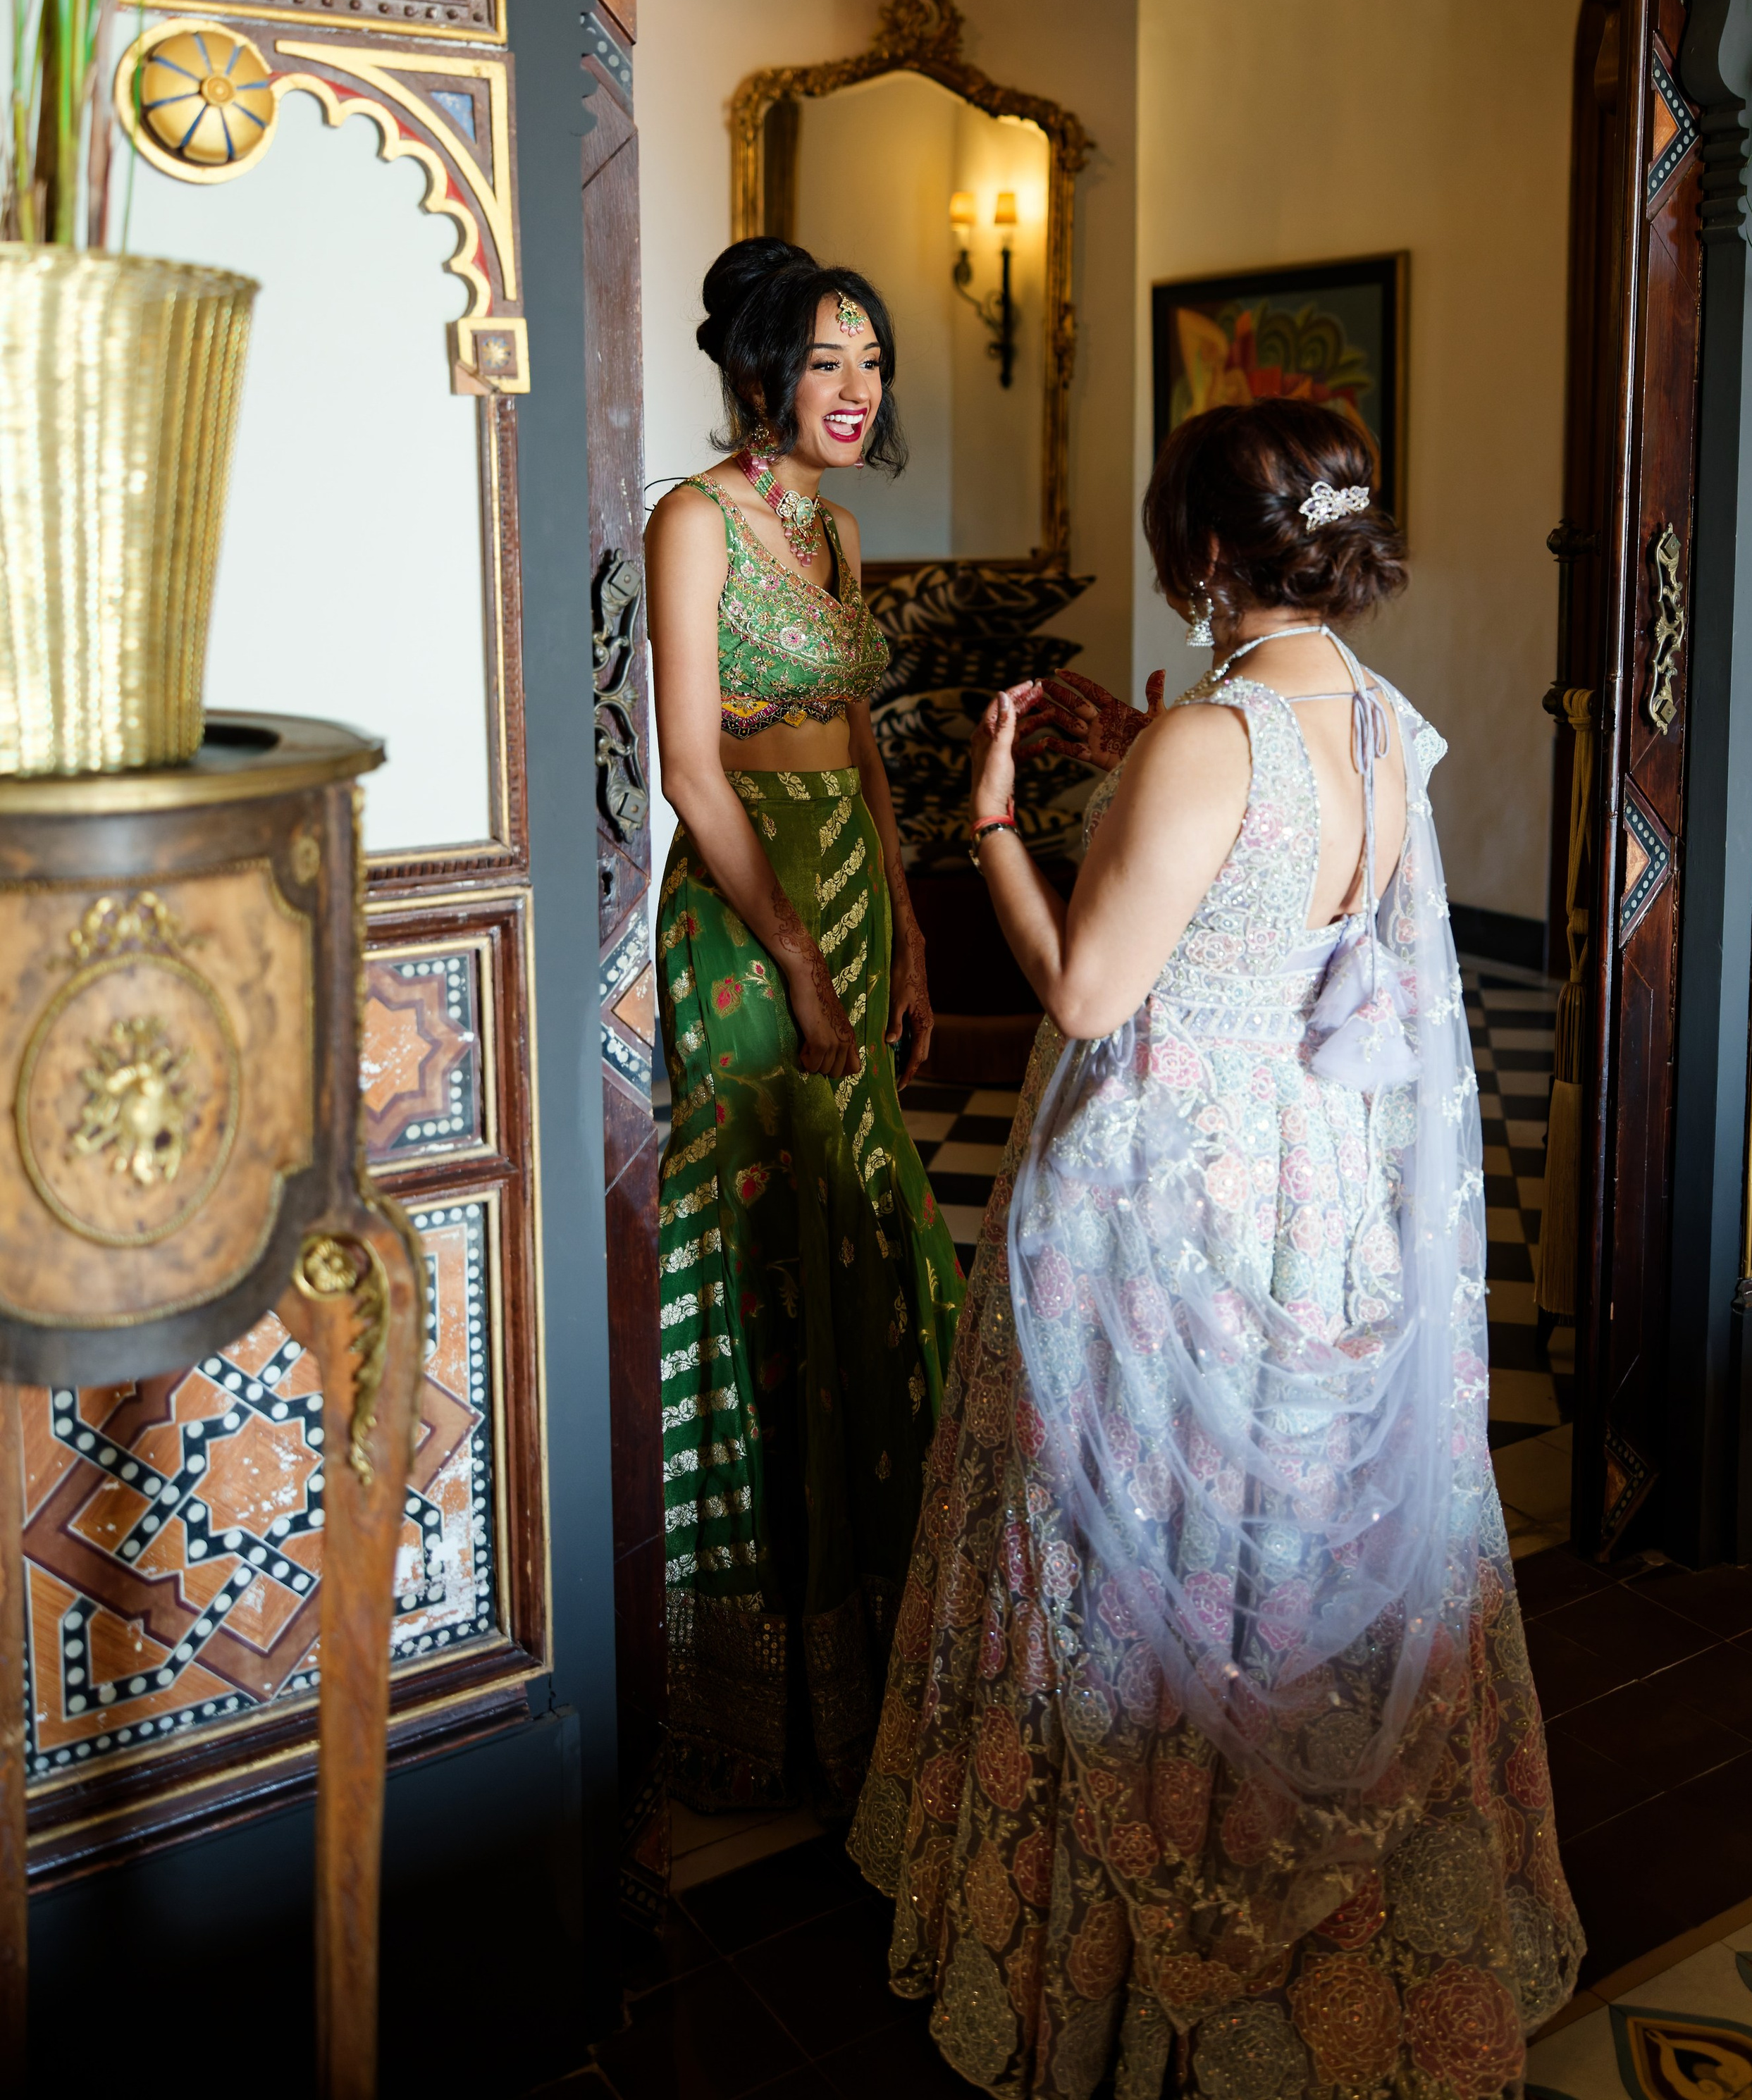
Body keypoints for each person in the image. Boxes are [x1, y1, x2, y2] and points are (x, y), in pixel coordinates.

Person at [850, 398, 1582, 2096]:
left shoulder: (1208, 740)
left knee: (1111, 1535)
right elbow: (1335, 955)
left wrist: (988, 814)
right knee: (1269, 1545)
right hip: (1313, 1181)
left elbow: (1092, 995)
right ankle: (1312, 1874)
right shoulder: (1388, 728)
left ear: (1195, 544)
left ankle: (1118, 1911)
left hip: (1161, 1187)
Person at [645, 237, 966, 1814]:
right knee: (763, 1230)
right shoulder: (690, 522)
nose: (856, 392)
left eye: (871, 362)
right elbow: (692, 768)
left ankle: (882, 1626)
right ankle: (746, 1658)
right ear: (757, 374)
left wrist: (899, 925)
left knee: (865, 1219)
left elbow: (858, 738)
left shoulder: (834, 533)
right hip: (739, 909)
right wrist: (796, 954)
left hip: (846, 881)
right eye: (826, 363)